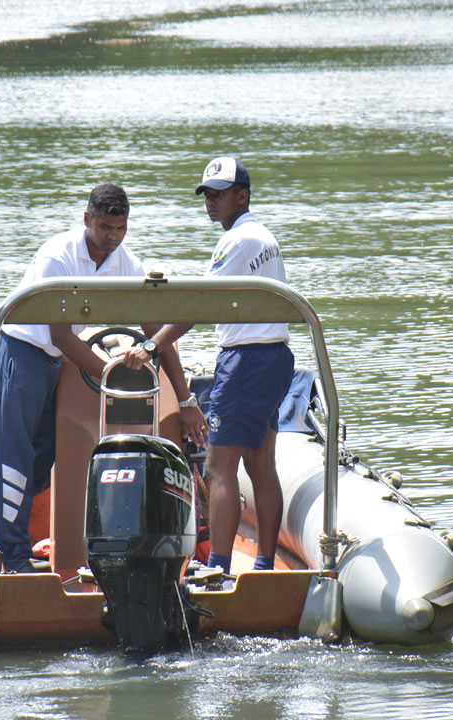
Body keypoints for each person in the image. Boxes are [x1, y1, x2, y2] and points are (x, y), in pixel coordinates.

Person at [0, 183, 205, 573]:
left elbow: (156, 334)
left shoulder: (126, 263)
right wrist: (111, 373)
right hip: (22, 355)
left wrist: (186, 401)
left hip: (56, 364)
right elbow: (61, 336)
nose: (112, 237)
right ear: (87, 219)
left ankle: (23, 544)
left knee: (44, 456)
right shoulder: (58, 258)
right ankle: (14, 562)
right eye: (104, 227)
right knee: (14, 460)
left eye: (119, 229)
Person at [122, 157, 293, 577]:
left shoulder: (237, 241)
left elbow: (200, 302)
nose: (212, 202)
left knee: (219, 467)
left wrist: (151, 344)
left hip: (247, 360)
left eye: (220, 194)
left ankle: (217, 567)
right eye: (208, 195)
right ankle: (266, 565)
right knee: (260, 463)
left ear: (243, 195)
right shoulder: (263, 236)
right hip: (275, 357)